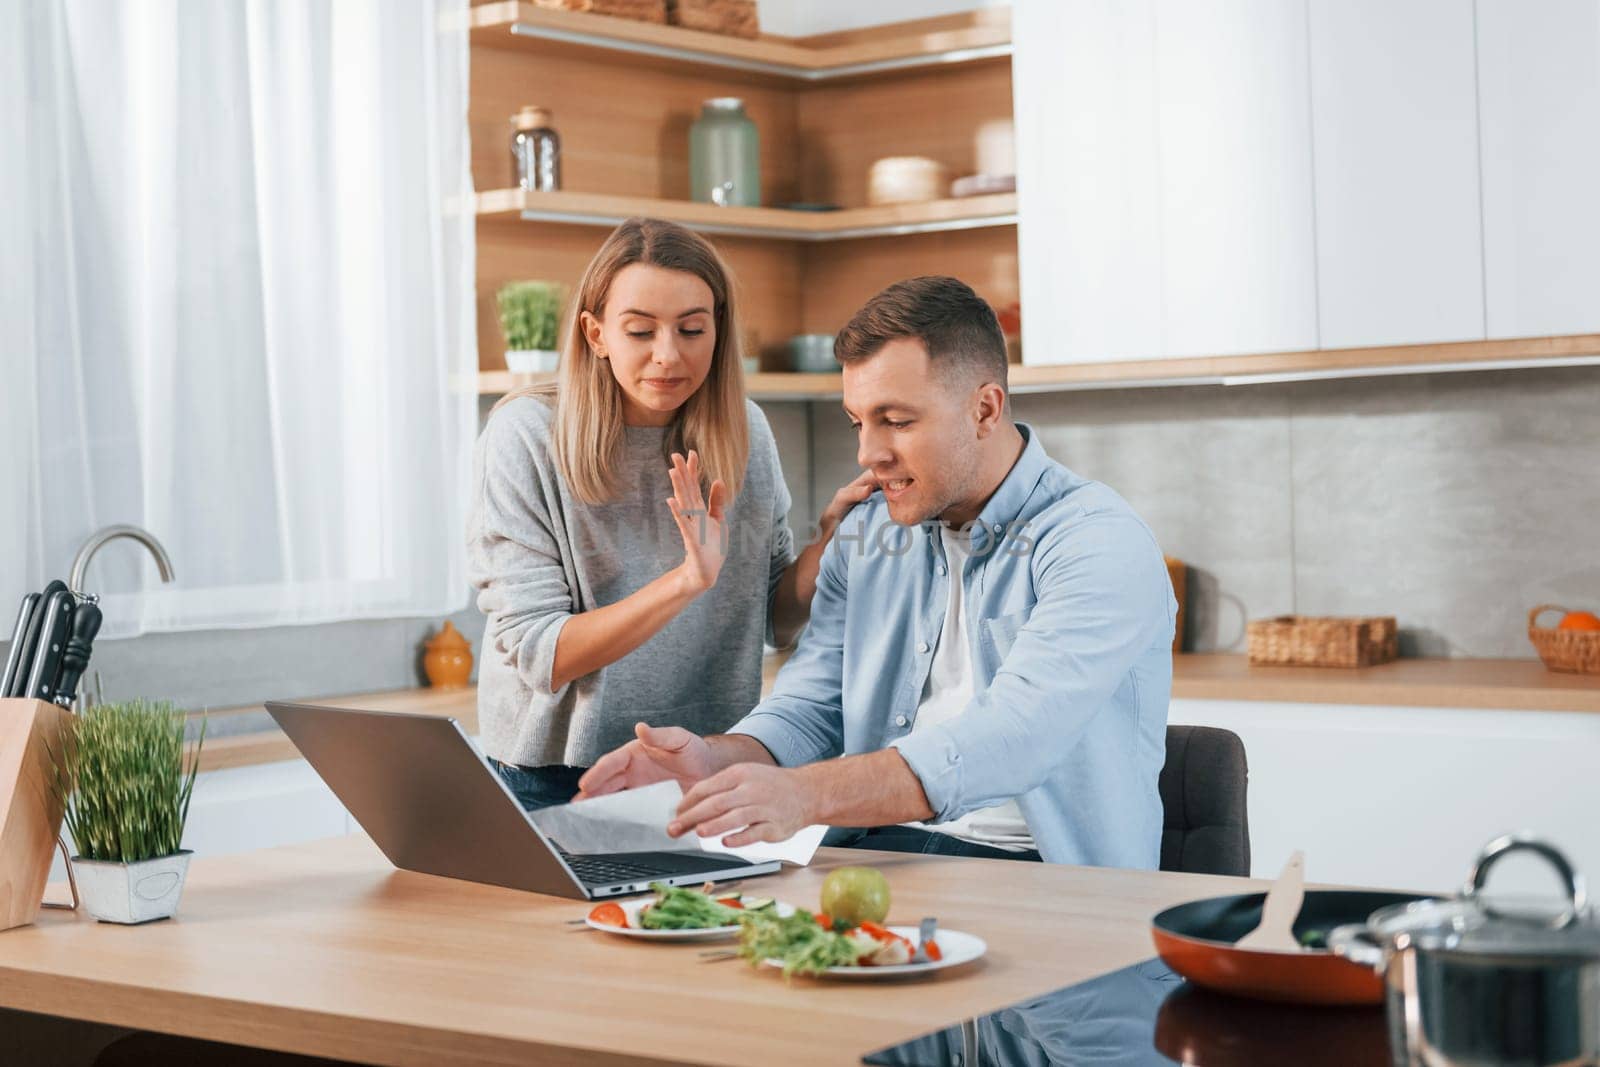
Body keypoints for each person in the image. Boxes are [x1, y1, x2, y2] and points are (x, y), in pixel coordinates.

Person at [578, 275, 1177, 869]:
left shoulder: (1095, 542)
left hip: (1045, 882)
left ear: (984, 409)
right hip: (881, 860)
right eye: (858, 422)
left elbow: (1014, 737)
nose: (868, 453)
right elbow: (813, 706)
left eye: (897, 420)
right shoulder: (867, 535)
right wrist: (716, 759)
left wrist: (808, 795)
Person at [467, 218, 872, 810]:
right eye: (640, 330)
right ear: (596, 332)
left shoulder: (746, 434)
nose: (668, 355)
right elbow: (541, 654)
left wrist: (826, 548)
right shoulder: (526, 436)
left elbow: (773, 620)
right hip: (558, 778)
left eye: (691, 329)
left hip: (702, 764)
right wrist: (688, 580)